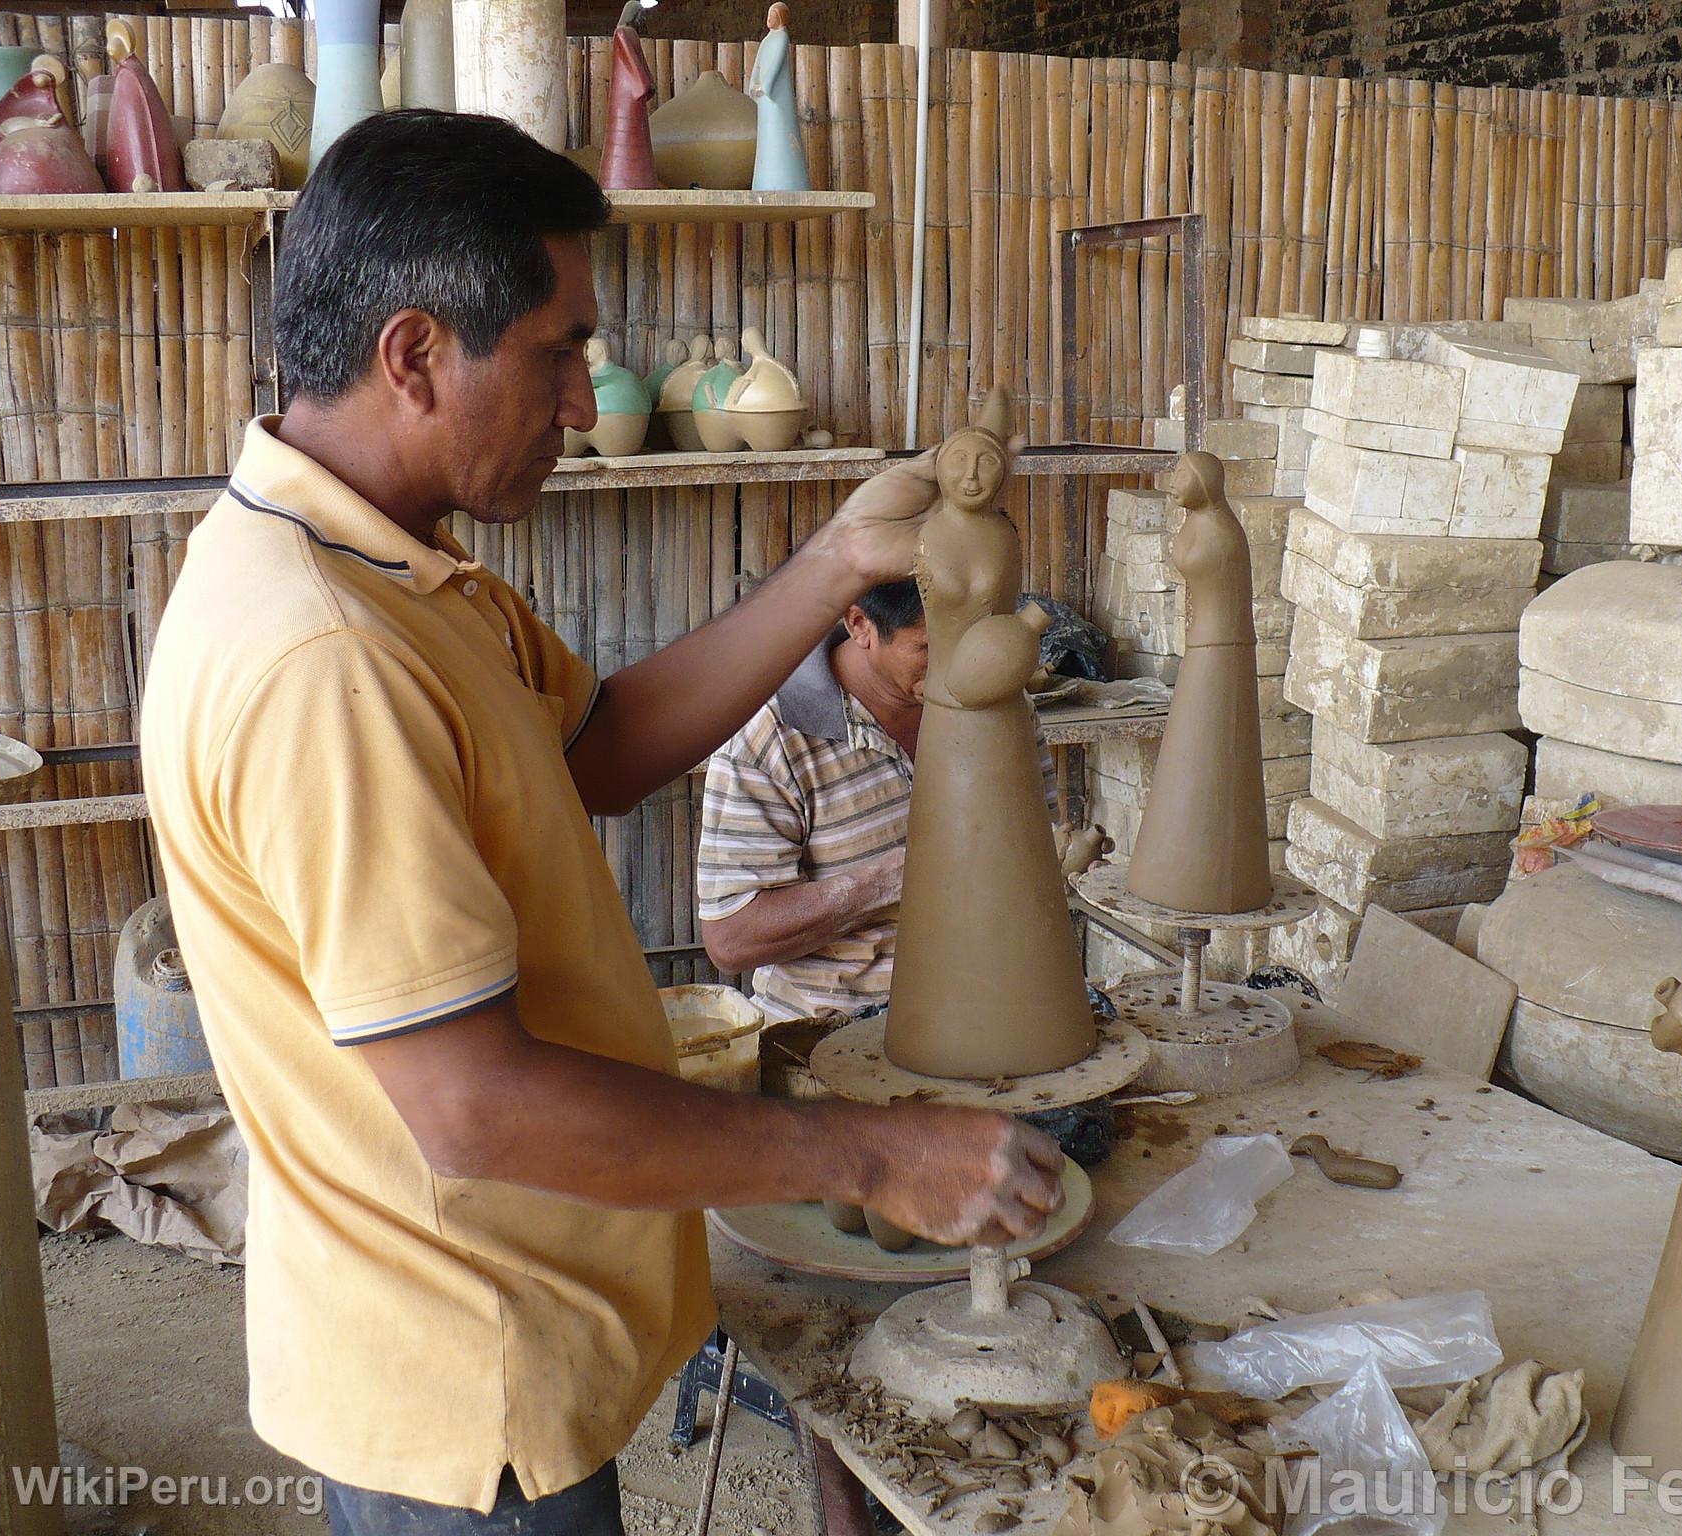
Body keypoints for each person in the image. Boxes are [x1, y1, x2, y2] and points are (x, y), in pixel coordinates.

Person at [138, 109, 1062, 1536]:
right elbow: (473, 1104)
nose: (583, 402)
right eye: (560, 351)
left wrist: (836, 565)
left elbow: (601, 748)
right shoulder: (326, 659)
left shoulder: (389, 566)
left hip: (501, 1332)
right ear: (414, 355)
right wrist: (876, 1154)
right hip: (462, 1389)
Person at [697, 578, 1059, 1019]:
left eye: (969, 644)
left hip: (991, 1006)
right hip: (833, 1027)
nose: (957, 668)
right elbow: (731, 939)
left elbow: (1040, 854)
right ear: (860, 626)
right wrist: (890, 880)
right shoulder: (768, 740)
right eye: (928, 647)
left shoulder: (1003, 705)